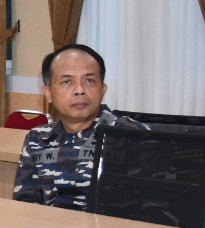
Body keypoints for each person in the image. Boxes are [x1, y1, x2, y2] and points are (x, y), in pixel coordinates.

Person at [13, 44, 146, 210]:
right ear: (48, 93)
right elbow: (25, 206)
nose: (80, 90)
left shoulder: (134, 136)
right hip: (51, 226)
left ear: (103, 89)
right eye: (67, 81)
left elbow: (156, 210)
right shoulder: (37, 139)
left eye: (89, 81)